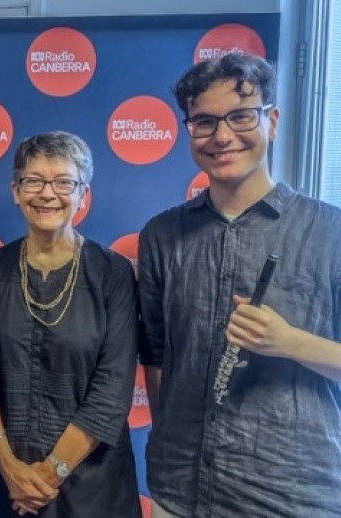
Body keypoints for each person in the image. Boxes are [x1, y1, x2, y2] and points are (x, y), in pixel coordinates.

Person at [139, 52, 341, 517]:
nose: (223, 135)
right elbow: (155, 355)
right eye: (205, 122)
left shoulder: (330, 231)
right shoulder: (161, 235)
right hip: (179, 487)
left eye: (240, 116)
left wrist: (289, 341)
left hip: (291, 494)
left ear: (271, 121)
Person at [0, 131, 141, 517]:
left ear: (83, 196)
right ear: (15, 190)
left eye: (63, 182)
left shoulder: (113, 274)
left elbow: (112, 391)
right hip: (6, 483)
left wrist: (48, 474)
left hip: (91, 488)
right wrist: (10, 470)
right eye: (33, 180)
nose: (47, 193)